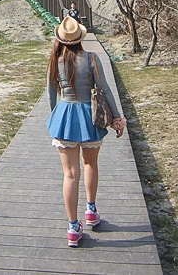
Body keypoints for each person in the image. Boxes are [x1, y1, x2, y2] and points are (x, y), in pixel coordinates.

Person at [45, 16, 127, 247]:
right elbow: (105, 90)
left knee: (70, 174)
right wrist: (117, 118)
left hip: (65, 117)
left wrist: (55, 117)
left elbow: (51, 95)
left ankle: (73, 228)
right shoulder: (91, 58)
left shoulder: (55, 60)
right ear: (80, 38)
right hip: (89, 118)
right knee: (90, 164)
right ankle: (90, 211)